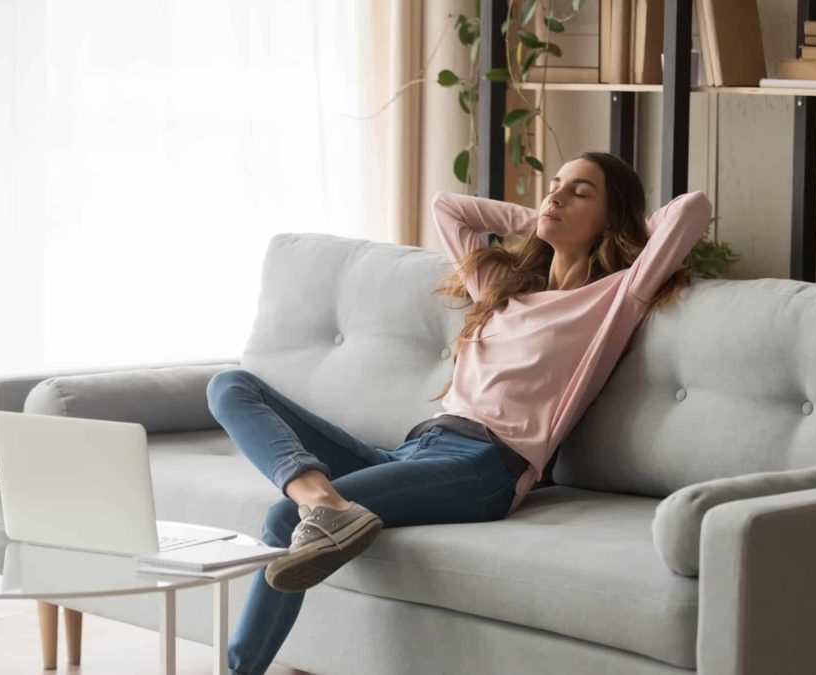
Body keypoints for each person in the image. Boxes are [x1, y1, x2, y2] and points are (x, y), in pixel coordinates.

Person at [206, 150, 712, 675]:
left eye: (580, 192)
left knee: (283, 518)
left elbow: (692, 209)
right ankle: (323, 499)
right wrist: (537, 223)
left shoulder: (614, 297)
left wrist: (619, 228)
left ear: (611, 219)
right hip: (416, 447)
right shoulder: (503, 290)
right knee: (230, 385)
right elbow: (448, 208)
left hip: (485, 467)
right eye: (553, 185)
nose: (555, 195)